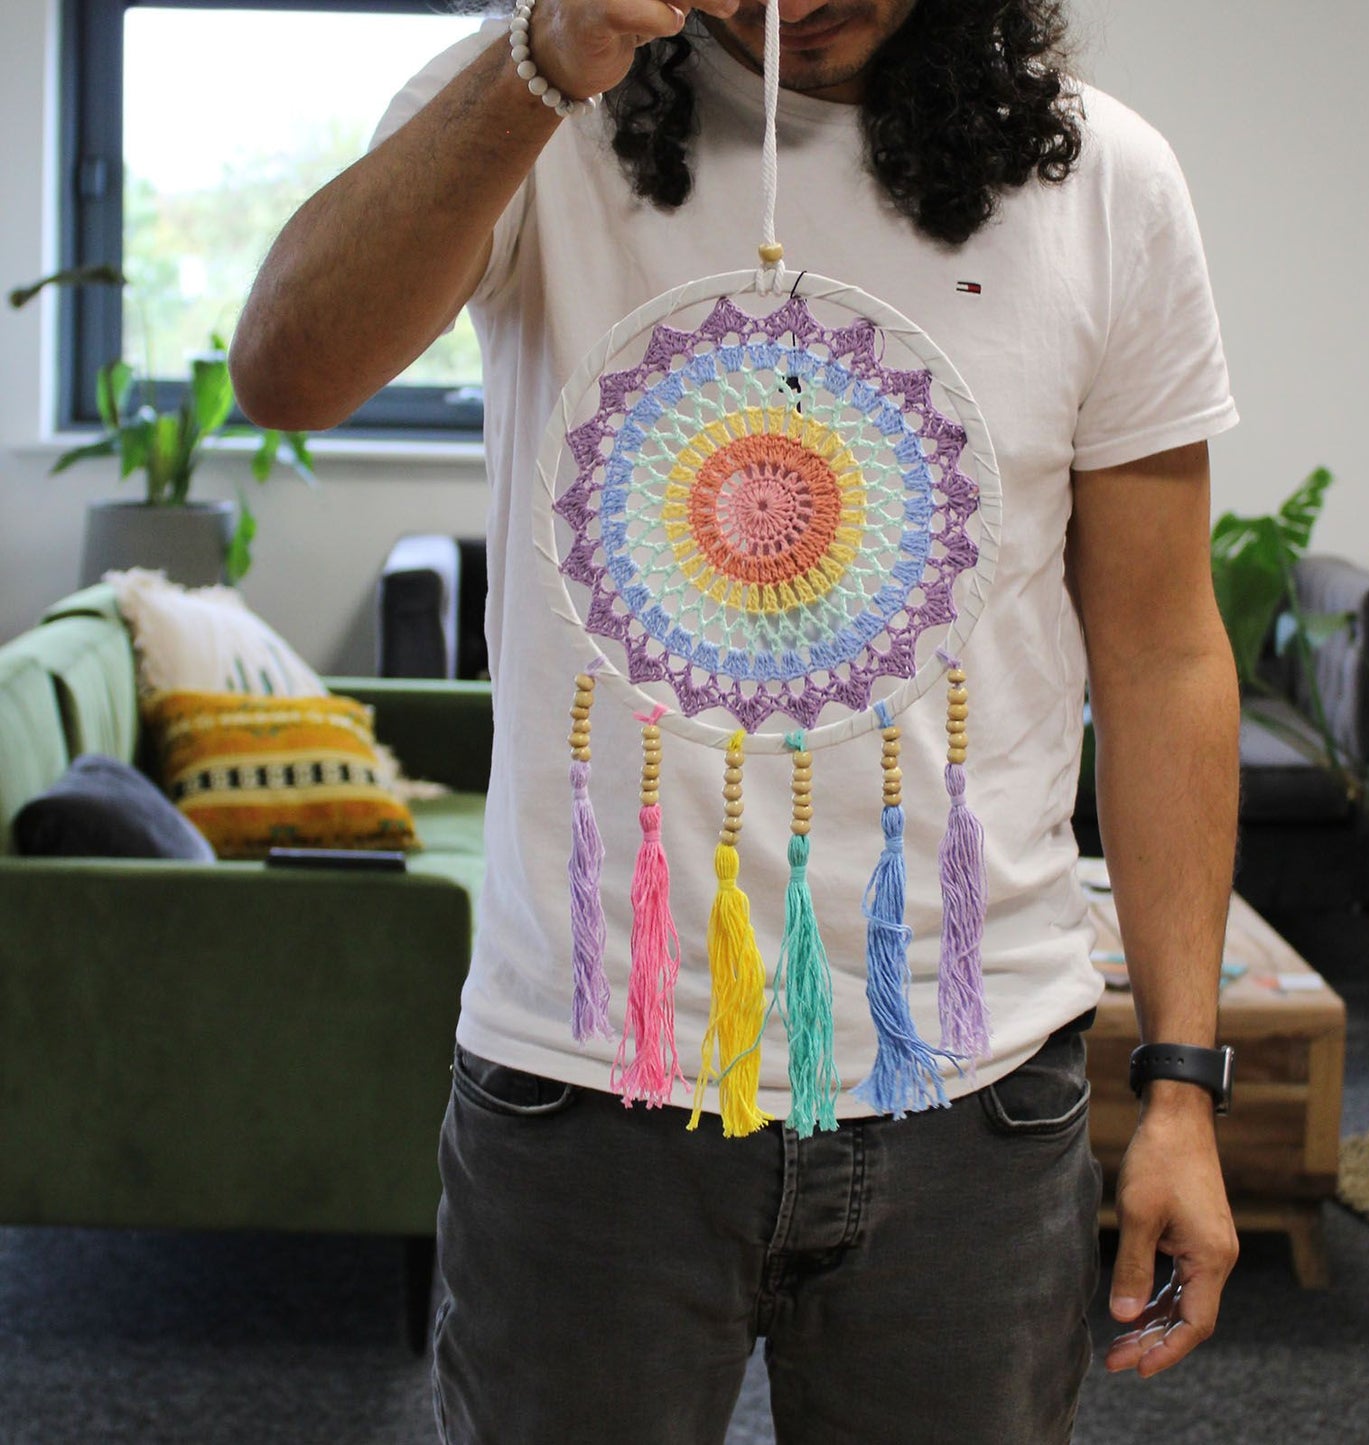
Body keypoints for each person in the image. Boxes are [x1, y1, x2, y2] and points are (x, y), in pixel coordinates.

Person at [231, 2, 1241, 1439]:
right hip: (583, 1089)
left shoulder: (1107, 183)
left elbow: (1160, 651)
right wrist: (537, 65)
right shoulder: (534, 119)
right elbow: (286, 375)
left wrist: (1185, 1086)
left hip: (974, 1096)